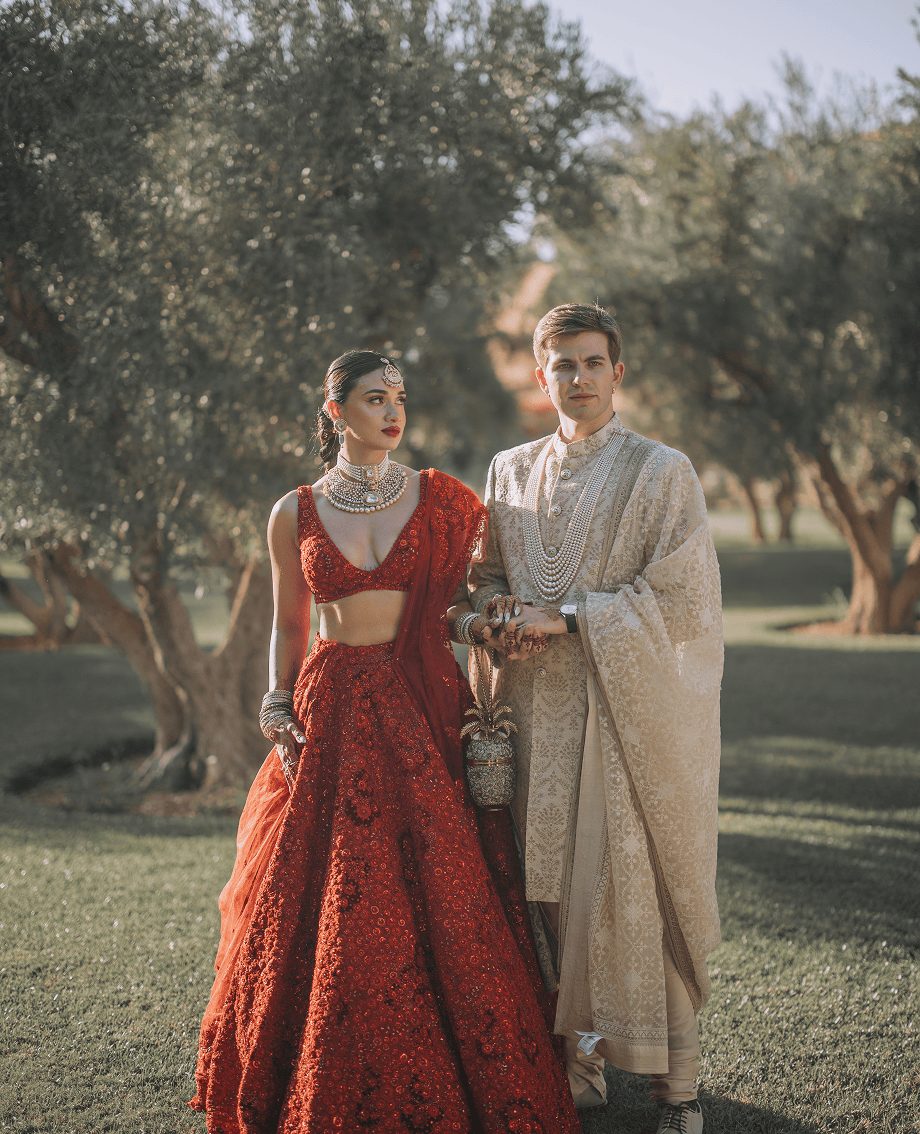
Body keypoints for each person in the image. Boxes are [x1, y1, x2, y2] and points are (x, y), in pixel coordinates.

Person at [190, 350, 579, 1134]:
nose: (394, 412)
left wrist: (489, 628)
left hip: (420, 707)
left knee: (443, 879)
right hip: (330, 709)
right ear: (335, 411)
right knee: (324, 881)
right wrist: (275, 701)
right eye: (375, 399)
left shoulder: (440, 500)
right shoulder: (294, 511)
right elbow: (289, 623)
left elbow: (461, 602)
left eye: (399, 397)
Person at [468, 304, 723, 1134]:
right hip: (530, 712)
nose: (576, 378)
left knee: (629, 888)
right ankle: (574, 1071)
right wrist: (499, 613)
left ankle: (677, 1094)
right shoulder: (509, 471)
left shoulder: (660, 471)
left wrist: (569, 617)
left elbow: (683, 595)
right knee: (541, 886)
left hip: (621, 717)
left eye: (590, 362)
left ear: (617, 371)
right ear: (541, 376)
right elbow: (485, 575)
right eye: (561, 365)